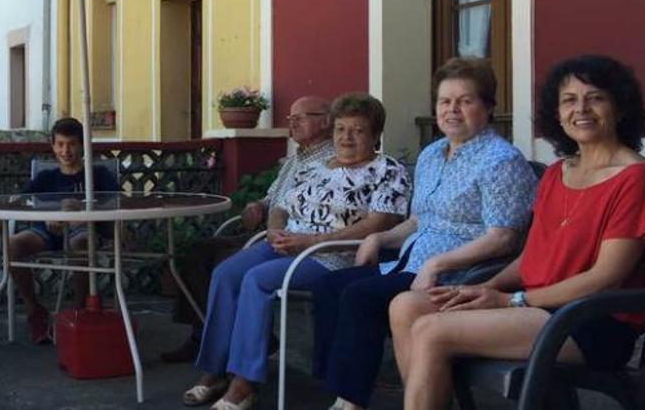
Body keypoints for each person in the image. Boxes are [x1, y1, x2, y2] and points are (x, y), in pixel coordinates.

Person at [390, 55, 645, 410]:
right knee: (407, 305)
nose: (581, 109)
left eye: (595, 98)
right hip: (536, 307)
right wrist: (484, 288)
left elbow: (605, 277)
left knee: (431, 331)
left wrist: (510, 300)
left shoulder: (636, 178)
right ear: (557, 111)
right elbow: (530, 257)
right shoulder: (556, 173)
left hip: (591, 320)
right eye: (569, 99)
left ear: (619, 107)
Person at [308, 58, 537, 410]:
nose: (452, 110)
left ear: (488, 107)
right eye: (445, 102)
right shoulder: (432, 154)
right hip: (410, 262)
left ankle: (350, 399)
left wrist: (438, 263)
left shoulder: (500, 160)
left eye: (465, 101)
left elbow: (504, 237)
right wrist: (379, 239)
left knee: (360, 297)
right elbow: (419, 220)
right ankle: (339, 386)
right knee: (328, 286)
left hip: (461, 273)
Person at [184, 93, 411, 410]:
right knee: (226, 273)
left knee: (257, 280)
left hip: (332, 253)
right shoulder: (318, 168)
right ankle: (216, 369)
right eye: (341, 129)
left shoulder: (387, 169)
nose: (346, 137)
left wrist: (309, 242)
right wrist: (276, 227)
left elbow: (380, 223)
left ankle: (244, 383)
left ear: (375, 135)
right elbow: (282, 205)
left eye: (357, 131)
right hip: (289, 242)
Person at [162, 95, 335, 362]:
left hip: (290, 238)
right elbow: (274, 197)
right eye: (290, 119)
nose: (293, 124)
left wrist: (273, 222)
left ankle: (241, 341)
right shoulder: (295, 158)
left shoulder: (332, 160)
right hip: (265, 231)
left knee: (222, 262)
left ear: (325, 121)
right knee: (196, 252)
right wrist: (259, 204)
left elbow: (301, 207)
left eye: (300, 118)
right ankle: (201, 332)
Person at [8, 117, 120, 344]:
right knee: (12, 244)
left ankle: (80, 311)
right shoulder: (45, 177)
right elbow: (21, 203)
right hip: (45, 233)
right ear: (53, 146)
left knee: (82, 243)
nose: (66, 150)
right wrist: (48, 215)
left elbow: (118, 203)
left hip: (82, 232)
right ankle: (35, 311)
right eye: (60, 144)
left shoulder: (97, 175)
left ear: (82, 145)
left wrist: (83, 209)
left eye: (71, 144)